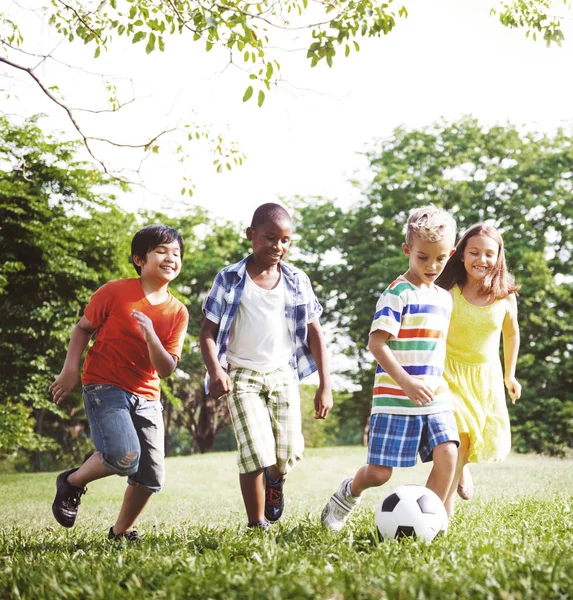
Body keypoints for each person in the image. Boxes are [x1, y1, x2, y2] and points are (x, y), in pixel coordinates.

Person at [321, 205, 459, 531]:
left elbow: (437, 350)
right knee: (380, 474)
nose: (432, 266)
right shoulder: (396, 294)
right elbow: (376, 344)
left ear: (450, 254)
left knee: (449, 454)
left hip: (434, 396)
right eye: (423, 257)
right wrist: (407, 382)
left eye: (440, 259)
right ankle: (346, 494)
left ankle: (429, 524)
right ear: (407, 250)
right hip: (395, 397)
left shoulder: (444, 298)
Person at [49, 224, 189, 540]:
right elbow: (82, 329)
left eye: (176, 253)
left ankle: (120, 532)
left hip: (148, 396)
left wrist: (153, 337)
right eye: (161, 251)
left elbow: (166, 369)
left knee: (151, 476)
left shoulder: (178, 312)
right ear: (140, 259)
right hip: (104, 386)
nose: (171, 258)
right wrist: (70, 370)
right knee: (125, 456)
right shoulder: (114, 292)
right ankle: (72, 482)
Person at [200, 202, 333, 529]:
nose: (278, 246)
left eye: (285, 240)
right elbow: (207, 332)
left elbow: (315, 332)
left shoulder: (297, 280)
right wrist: (216, 370)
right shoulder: (230, 279)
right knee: (255, 451)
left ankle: (275, 481)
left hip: (283, 373)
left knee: (286, 453)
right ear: (251, 235)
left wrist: (325, 385)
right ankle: (256, 522)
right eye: (270, 238)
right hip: (241, 376)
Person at [436, 223, 521, 517]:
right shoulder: (448, 291)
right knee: (458, 436)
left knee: (471, 436)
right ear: (461, 255)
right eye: (474, 252)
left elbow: (511, 334)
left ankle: (462, 470)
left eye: (489, 254)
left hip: (485, 376)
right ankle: (443, 513)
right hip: (448, 373)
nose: (481, 260)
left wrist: (510, 374)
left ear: (498, 257)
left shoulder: (505, 296)